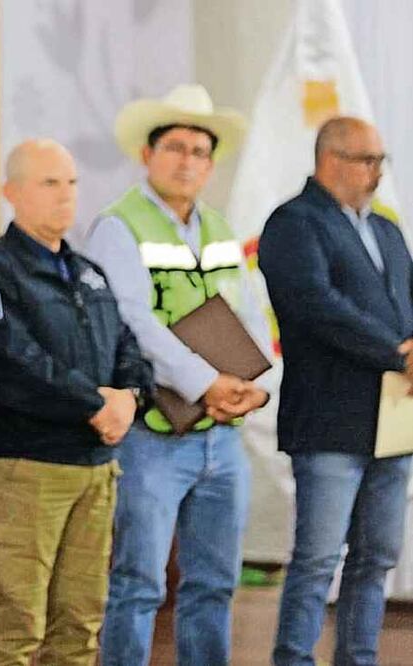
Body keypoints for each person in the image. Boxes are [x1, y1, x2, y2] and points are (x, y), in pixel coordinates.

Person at [84, 84, 271, 665]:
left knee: (214, 583)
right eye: (174, 147)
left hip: (222, 436)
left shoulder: (219, 228)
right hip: (153, 437)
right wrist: (206, 384)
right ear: (148, 155)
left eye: (199, 150)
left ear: (211, 164)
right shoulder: (119, 226)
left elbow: (247, 313)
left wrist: (253, 387)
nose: (187, 160)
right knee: (139, 584)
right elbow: (134, 322)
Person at [0, 139, 151, 665]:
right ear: (11, 193)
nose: (65, 194)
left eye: (71, 182)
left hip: (94, 468)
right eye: (49, 183)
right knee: (17, 623)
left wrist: (129, 398)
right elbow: (10, 363)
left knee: (80, 625)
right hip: (26, 468)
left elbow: (127, 347)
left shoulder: (89, 272)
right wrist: (93, 403)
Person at [260, 116, 413, 666]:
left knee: (376, 558)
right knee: (318, 559)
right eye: (367, 159)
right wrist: (396, 352)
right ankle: (294, 658)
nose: (376, 171)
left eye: (379, 160)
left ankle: (359, 658)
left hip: (393, 421)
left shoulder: (388, 231)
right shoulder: (293, 223)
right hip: (328, 419)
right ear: (331, 158)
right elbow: (316, 307)